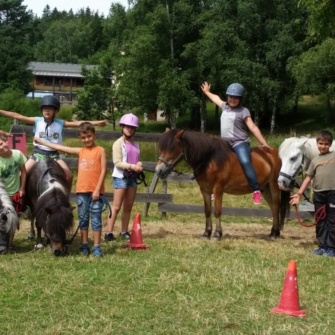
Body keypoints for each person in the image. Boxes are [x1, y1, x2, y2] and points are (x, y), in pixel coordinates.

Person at [34, 122, 107, 257]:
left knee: (96, 219)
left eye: (89, 136)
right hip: (81, 191)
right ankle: (84, 245)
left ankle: (97, 247)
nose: (87, 140)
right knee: (83, 219)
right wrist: (41, 141)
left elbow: (103, 171)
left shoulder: (100, 151)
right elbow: (59, 147)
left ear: (94, 135)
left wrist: (97, 190)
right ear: (80, 138)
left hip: (95, 192)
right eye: (83, 138)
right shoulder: (80, 151)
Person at [0, 95, 107, 187]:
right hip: (38, 153)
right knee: (21, 174)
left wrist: (97, 123)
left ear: (56, 111)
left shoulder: (60, 123)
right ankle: (23, 199)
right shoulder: (37, 120)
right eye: (45, 108)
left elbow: (79, 123)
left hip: (54, 155)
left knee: (69, 175)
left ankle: (65, 200)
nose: (47, 110)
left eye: (50, 108)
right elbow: (17, 115)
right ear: (41, 110)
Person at [200, 81, 271, 205]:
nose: (232, 99)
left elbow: (253, 127)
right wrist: (207, 92)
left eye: (236, 97)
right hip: (224, 144)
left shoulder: (244, 111)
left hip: (239, 143)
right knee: (211, 161)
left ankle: (256, 190)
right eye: (230, 97)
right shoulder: (224, 107)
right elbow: (216, 98)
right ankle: (212, 188)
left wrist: (263, 143)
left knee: (245, 161)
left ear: (240, 99)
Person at [290, 129, 335, 257]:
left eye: (326, 144)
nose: (323, 146)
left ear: (330, 145)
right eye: (321, 143)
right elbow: (308, 178)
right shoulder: (315, 161)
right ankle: (322, 246)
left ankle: (332, 248)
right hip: (319, 194)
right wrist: (299, 194)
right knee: (320, 220)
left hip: (333, 193)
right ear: (317, 144)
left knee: (332, 221)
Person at [104, 113, 143, 242]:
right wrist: (133, 167)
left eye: (132, 127)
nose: (130, 129)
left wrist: (139, 165)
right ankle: (108, 232)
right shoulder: (118, 144)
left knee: (128, 206)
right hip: (121, 177)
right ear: (122, 127)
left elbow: (137, 159)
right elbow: (117, 162)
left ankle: (124, 231)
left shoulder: (136, 145)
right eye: (127, 127)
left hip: (132, 178)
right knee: (116, 206)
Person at [0, 133, 27, 249]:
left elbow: (24, 171)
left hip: (15, 192)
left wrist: (22, 188)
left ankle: (10, 243)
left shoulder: (18, 154)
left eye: (1, 144)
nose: (0, 147)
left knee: (14, 219)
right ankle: (3, 243)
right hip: (3, 194)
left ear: (6, 141)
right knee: (2, 219)